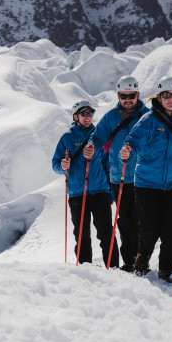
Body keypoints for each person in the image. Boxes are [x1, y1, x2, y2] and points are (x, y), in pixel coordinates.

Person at [119, 76, 172, 283]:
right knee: (148, 227)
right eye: (166, 95)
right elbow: (132, 141)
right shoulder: (149, 120)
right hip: (147, 183)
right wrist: (127, 151)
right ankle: (141, 261)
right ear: (159, 97)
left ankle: (167, 269)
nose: (171, 98)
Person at [84, 76, 149, 272]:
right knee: (124, 220)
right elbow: (98, 137)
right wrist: (91, 147)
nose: (128, 99)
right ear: (118, 95)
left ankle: (141, 260)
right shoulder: (110, 117)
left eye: (131, 95)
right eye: (124, 96)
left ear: (138, 95)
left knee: (140, 220)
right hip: (118, 177)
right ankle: (129, 261)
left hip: (143, 177)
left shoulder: (148, 116)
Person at [52, 100, 119, 266]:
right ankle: (85, 269)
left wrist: (111, 193)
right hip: (77, 194)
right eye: (84, 113)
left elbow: (107, 165)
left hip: (100, 191)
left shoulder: (99, 135)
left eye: (90, 113)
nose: (88, 117)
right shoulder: (67, 137)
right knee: (82, 235)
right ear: (76, 116)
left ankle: (114, 268)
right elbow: (55, 164)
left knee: (106, 233)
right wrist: (62, 166)